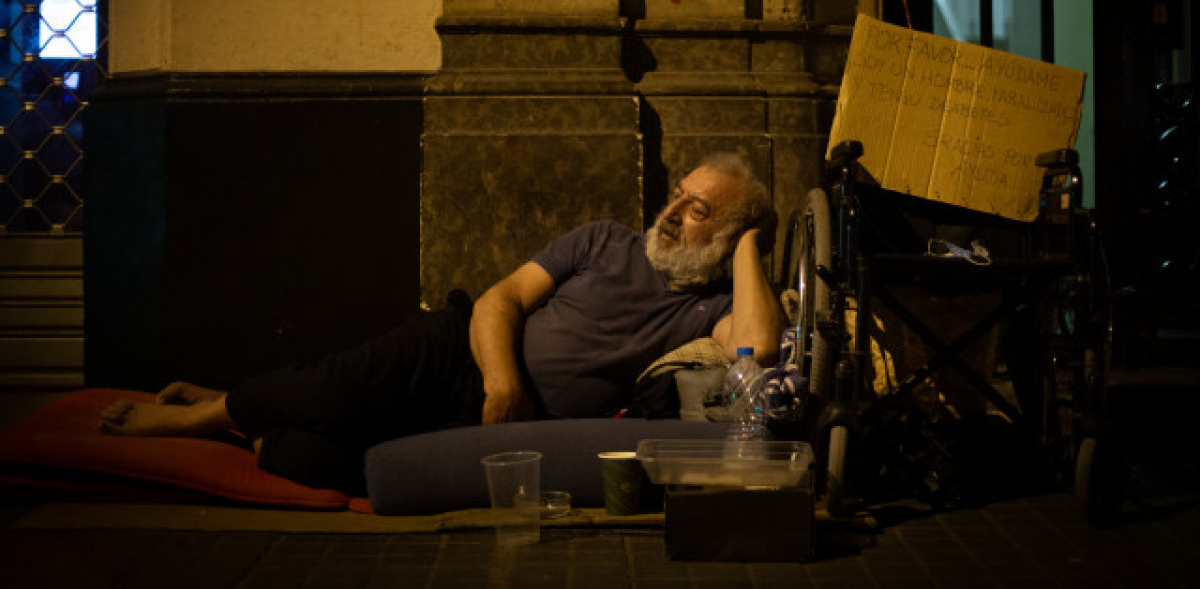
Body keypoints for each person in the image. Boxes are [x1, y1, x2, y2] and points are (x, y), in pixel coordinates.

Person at [99, 153, 784, 493]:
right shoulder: (605, 239)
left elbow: (757, 350)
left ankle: (243, 415)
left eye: (698, 210)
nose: (671, 212)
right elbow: (498, 301)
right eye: (678, 194)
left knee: (314, 460)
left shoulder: (711, 309)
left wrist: (749, 243)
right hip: (464, 351)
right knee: (335, 387)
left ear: (728, 235)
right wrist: (503, 382)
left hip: (497, 424)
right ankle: (200, 416)